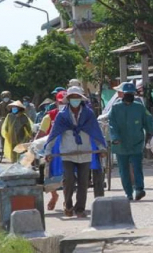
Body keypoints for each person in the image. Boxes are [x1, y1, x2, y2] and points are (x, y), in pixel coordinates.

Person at [44, 86, 107, 218]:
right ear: (68, 99)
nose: (75, 100)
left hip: (85, 152)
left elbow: (96, 132)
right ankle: (68, 205)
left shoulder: (88, 114)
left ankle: (80, 209)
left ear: (81, 99)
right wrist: (48, 151)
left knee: (84, 182)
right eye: (72, 98)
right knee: (69, 179)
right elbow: (53, 135)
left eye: (77, 97)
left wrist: (102, 148)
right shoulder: (62, 116)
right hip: (67, 152)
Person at [109, 82, 153, 201]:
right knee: (124, 170)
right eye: (127, 93)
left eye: (131, 93)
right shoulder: (115, 108)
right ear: (122, 94)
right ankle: (128, 193)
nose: (129, 95)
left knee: (137, 167)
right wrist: (115, 138)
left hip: (136, 143)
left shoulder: (139, 107)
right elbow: (112, 125)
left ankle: (139, 189)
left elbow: (149, 121)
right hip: (120, 145)